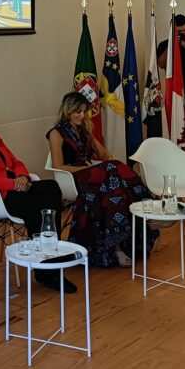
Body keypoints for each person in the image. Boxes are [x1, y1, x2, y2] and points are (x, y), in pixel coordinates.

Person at [0, 97, 76, 293]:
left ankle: (49, 254)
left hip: (19, 185)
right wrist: (12, 184)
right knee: (37, 205)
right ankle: (48, 268)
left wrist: (22, 176)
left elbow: (15, 162)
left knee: (51, 187)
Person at [47, 92, 154, 267]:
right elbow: (58, 166)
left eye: (84, 111)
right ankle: (146, 206)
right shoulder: (56, 133)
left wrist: (91, 136)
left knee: (114, 174)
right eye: (78, 112)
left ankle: (124, 240)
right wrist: (88, 169)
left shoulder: (83, 130)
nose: (82, 115)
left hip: (93, 174)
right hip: (72, 176)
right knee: (111, 169)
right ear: (68, 111)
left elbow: (104, 155)